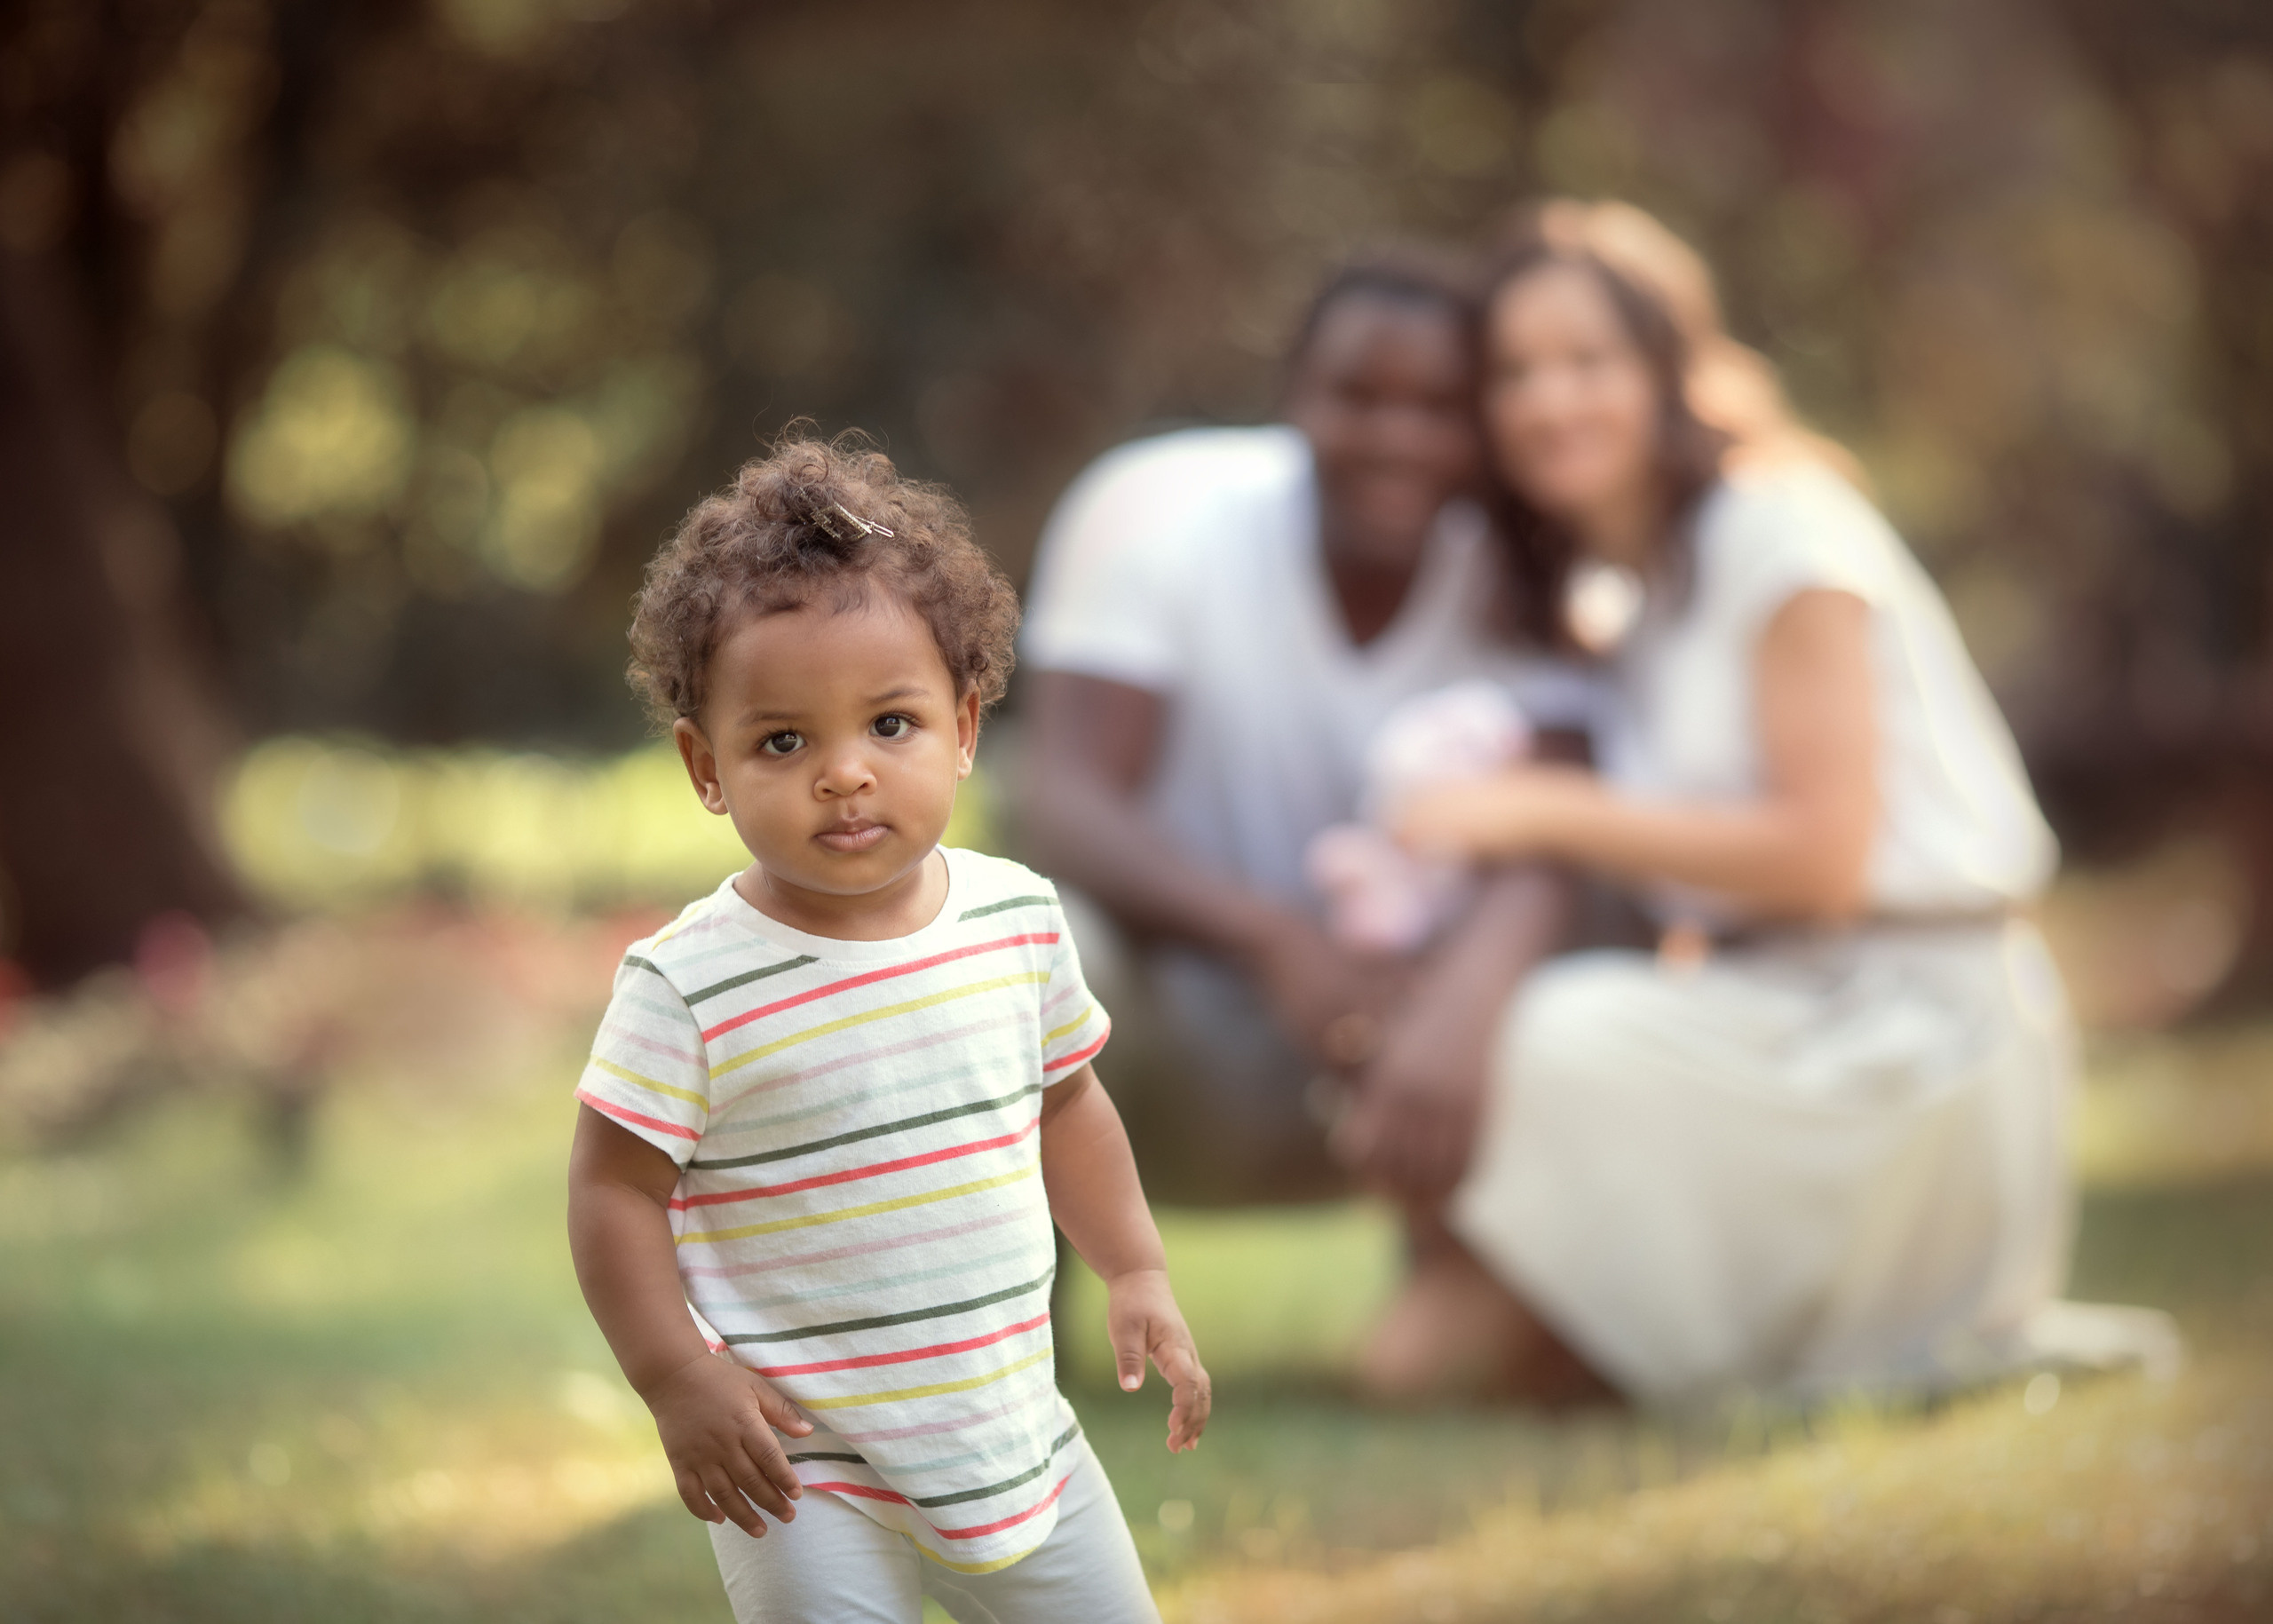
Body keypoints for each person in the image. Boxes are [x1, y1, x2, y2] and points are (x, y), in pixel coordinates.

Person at [1354, 200, 2087, 1405]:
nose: (1549, 402)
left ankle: (1610, 1326)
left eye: (1589, 361)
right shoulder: (1634, 593)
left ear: (1669, 368)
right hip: (1786, 1009)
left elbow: (1823, 860)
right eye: (1515, 373)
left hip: (1915, 1032)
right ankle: (1557, 1315)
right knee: (1427, 1323)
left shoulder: (1779, 525)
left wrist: (1538, 807)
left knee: (1554, 1032)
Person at [565, 439, 1207, 1624]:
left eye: (891, 725)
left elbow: (1067, 1103)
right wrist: (675, 1378)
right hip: (802, 1455)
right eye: (784, 742)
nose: (845, 775)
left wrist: (1135, 1264)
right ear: (706, 766)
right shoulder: (689, 984)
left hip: (1009, 1425)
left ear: (965, 726)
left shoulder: (1018, 919)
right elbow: (612, 1192)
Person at [1017, 250, 1596, 1202]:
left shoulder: (1525, 572)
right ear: (1294, 397)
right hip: (1167, 1044)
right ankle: (1023, 1323)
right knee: (1037, 945)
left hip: (1431, 1039)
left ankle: (1487, 1301)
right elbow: (1064, 802)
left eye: (1438, 407)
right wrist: (1275, 940)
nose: (1395, 438)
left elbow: (1562, 829)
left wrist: (1457, 1002)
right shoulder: (1156, 509)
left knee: (1588, 946)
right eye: (1358, 396)